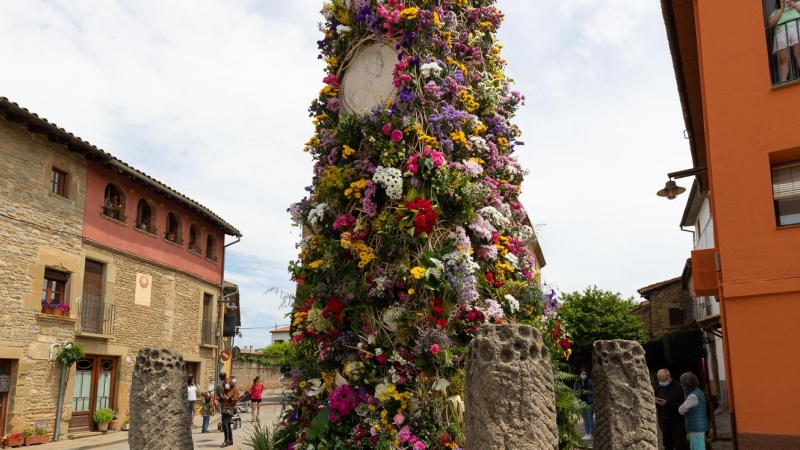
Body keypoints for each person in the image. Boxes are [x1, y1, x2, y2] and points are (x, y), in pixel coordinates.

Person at [655, 369, 689, 450]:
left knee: (680, 445)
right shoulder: (658, 388)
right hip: (663, 420)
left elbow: (683, 405)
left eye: (664, 380)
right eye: (660, 380)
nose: (662, 382)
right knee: (667, 445)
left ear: (669, 376)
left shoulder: (679, 387)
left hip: (677, 421)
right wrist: (656, 402)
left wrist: (667, 403)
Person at [770, 0, 800, 82]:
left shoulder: (798, 4)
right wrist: (781, 9)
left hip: (796, 29)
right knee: (783, 59)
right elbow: (771, 23)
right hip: (781, 32)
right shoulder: (776, 11)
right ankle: (783, 81)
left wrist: (794, 5)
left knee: (798, 54)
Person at [678, 372, 709, 450]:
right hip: (697, 426)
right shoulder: (697, 392)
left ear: (686, 383)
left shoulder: (693, 395)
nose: (681, 384)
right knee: (694, 447)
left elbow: (681, 410)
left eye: (682, 382)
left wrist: (682, 406)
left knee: (698, 448)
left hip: (696, 427)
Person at [219, 376, 240, 448]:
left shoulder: (234, 389)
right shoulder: (225, 390)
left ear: (230, 383)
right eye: (225, 383)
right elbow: (222, 398)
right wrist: (221, 397)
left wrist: (227, 398)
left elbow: (236, 399)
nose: (226, 385)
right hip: (224, 409)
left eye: (227, 383)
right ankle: (230, 440)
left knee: (225, 424)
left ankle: (226, 440)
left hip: (230, 409)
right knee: (226, 425)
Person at [573, 368, 594, 441]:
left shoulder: (590, 382)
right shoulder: (577, 383)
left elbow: (594, 392)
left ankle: (591, 434)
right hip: (581, 403)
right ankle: (586, 434)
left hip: (589, 403)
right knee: (585, 419)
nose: (584, 375)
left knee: (589, 418)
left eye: (585, 374)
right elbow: (574, 392)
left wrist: (587, 392)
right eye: (582, 374)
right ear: (580, 375)